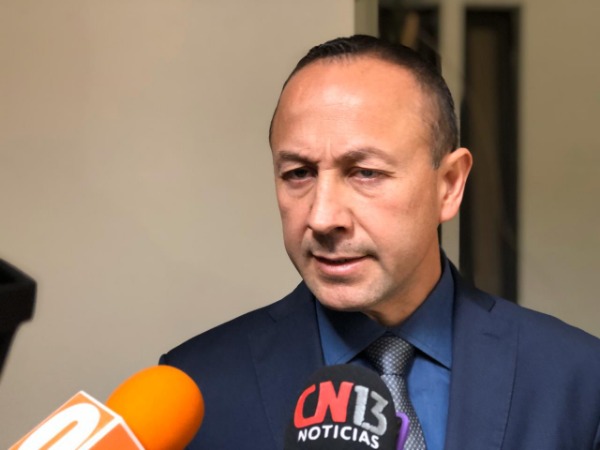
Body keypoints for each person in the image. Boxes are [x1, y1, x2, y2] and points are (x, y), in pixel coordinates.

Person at [161, 35, 600, 449]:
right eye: (299, 173)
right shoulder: (196, 389)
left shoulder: (578, 378)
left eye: (365, 173)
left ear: (449, 184)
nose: (322, 218)